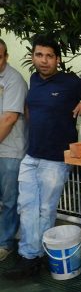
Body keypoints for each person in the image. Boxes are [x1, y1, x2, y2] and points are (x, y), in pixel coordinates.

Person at [3, 34, 81, 279]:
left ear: (58, 59)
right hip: (31, 156)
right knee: (27, 207)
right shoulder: (34, 79)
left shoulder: (69, 82)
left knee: (45, 208)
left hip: (56, 159)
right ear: (33, 56)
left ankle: (39, 257)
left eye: (49, 56)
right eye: (39, 55)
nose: (44, 61)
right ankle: (29, 255)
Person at [0, 39, 28, 261]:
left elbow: (9, 119)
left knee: (9, 200)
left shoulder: (13, 80)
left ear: (6, 57)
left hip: (10, 152)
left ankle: (5, 243)